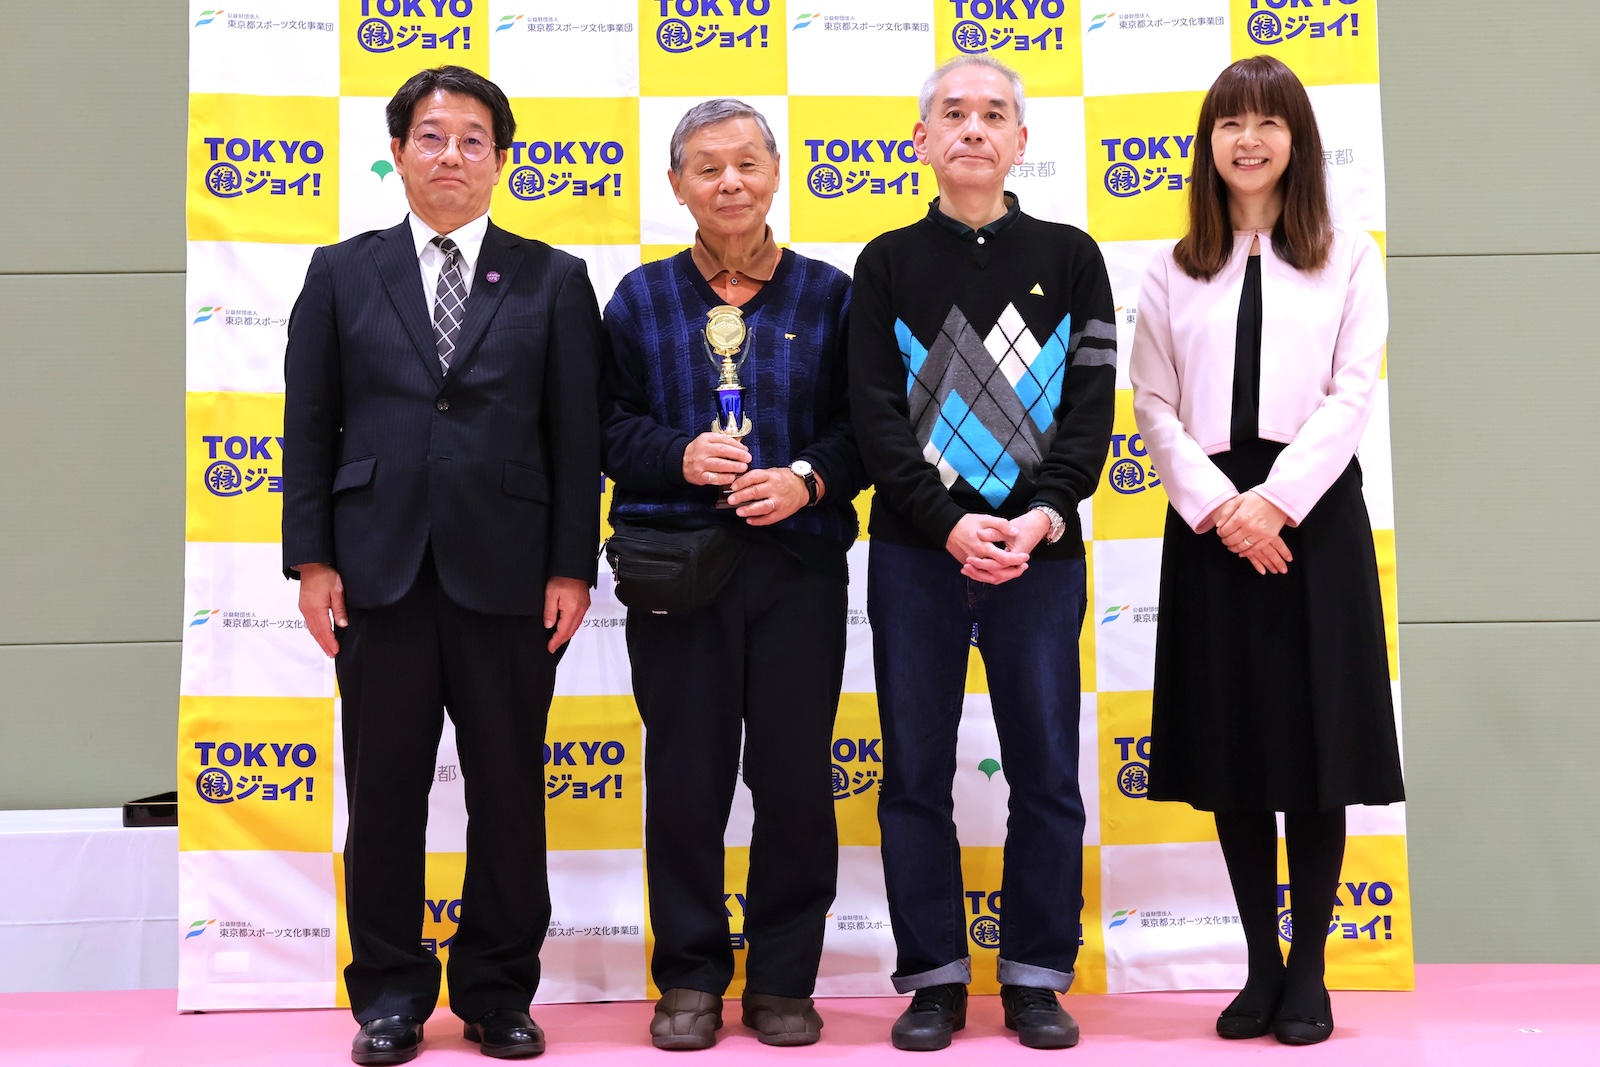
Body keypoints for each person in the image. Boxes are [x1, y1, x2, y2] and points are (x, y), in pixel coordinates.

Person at [282, 65, 603, 1065]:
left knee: (508, 792)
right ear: (397, 153)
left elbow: (576, 437)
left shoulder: (553, 277)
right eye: (431, 136)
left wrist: (571, 564)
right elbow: (308, 425)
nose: (451, 154)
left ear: (500, 159)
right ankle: (388, 992)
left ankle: (498, 991)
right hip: (376, 571)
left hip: (510, 576)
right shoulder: (341, 271)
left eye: (473, 138)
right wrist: (312, 560)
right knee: (384, 795)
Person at [1129, 54, 1405, 1047]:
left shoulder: (1348, 255)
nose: (1247, 140)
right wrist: (1220, 507)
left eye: (1267, 122)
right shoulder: (1173, 266)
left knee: (1314, 747)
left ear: (1297, 139)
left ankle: (1311, 971)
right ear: (1209, 143)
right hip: (1210, 523)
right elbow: (1153, 402)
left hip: (1312, 518)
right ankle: (1259, 964)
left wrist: (1278, 503)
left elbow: (1351, 391)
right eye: (1229, 123)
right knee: (1235, 747)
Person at [848, 56, 1116, 1052]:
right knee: (914, 773)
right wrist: (945, 521)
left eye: (993, 113)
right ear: (921, 140)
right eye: (952, 113)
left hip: (1040, 556)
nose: (973, 128)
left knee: (1045, 772)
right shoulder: (885, 262)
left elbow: (1090, 411)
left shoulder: (1072, 256)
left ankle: (1037, 976)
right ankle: (933, 980)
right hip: (917, 556)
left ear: (1020, 140)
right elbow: (874, 417)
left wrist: (1041, 516)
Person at [598, 99, 866, 1051]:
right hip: (676, 574)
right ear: (677, 185)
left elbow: (865, 428)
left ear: (776, 172)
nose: (730, 182)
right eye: (707, 167)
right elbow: (605, 427)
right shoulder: (638, 298)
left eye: (748, 162)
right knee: (684, 779)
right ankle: (690, 976)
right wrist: (677, 456)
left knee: (794, 780)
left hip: (798, 570)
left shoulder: (831, 295)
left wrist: (807, 479)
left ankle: (785, 978)